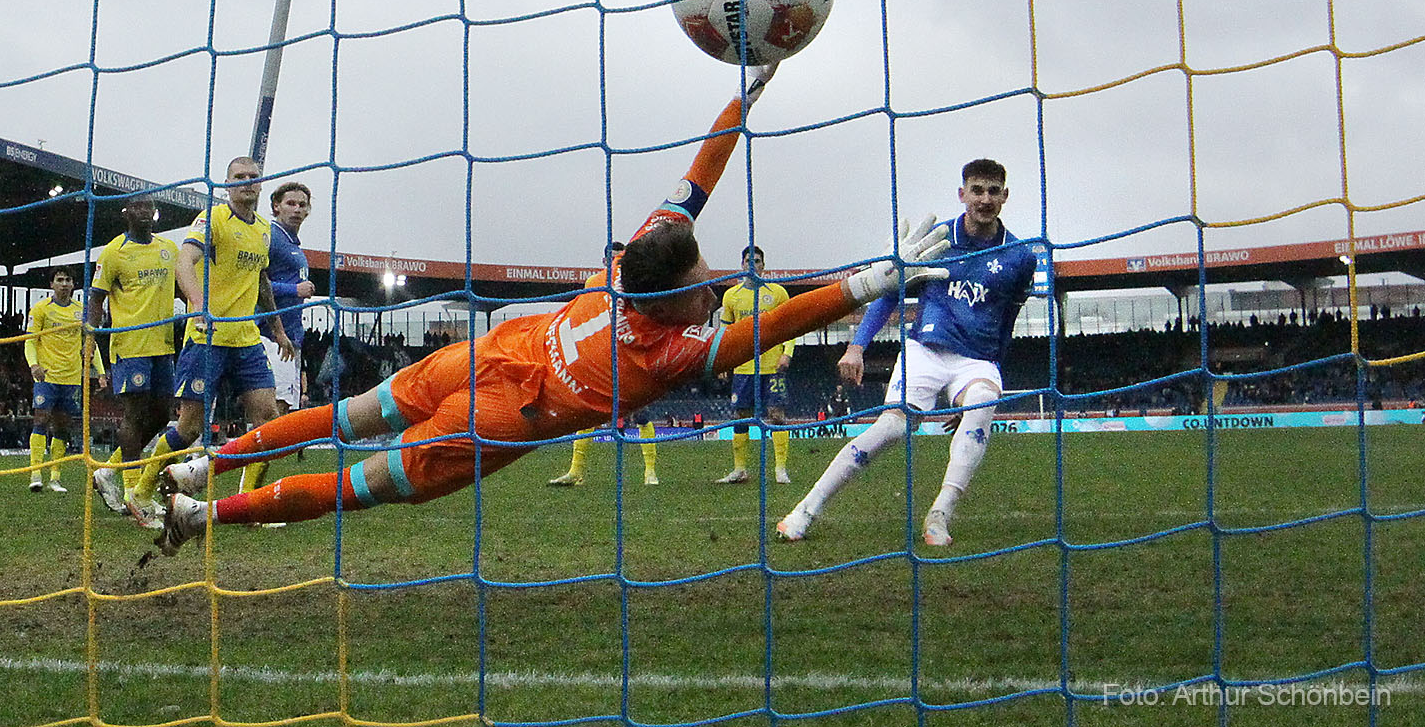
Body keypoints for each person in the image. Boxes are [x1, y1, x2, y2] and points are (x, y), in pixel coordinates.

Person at [153, 67, 952, 554]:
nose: (713, 288)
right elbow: (779, 324)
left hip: (494, 353)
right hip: (504, 414)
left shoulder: (635, 257)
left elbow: (698, 177)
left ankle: (203, 465)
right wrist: (877, 278)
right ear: (674, 300)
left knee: (347, 414)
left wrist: (741, 99)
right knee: (360, 483)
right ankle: (202, 512)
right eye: (703, 283)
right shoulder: (666, 356)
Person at [776, 159, 1041, 547]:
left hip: (977, 361)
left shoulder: (1021, 257)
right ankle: (804, 510)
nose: (984, 199)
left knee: (984, 399)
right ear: (962, 194)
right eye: (977, 190)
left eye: (993, 191)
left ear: (1005, 196)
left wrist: (986, 377)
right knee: (892, 427)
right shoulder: (935, 240)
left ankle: (939, 516)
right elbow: (889, 291)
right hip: (925, 351)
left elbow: (1007, 321)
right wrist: (857, 346)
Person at [128, 157, 297, 518]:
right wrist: (200, 304)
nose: (247, 182)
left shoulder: (264, 230)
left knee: (267, 422)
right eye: (240, 177)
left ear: (261, 184)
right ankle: (141, 493)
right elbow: (183, 262)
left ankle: (247, 503)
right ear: (227, 184)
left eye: (253, 177)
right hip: (207, 338)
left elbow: (262, 280)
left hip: (247, 339)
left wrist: (278, 330)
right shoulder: (212, 220)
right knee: (188, 428)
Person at [85, 194, 179, 522]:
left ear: (155, 213)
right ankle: (132, 490)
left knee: (162, 415)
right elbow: (95, 299)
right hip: (130, 346)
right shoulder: (113, 252)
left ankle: (108, 472)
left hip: (164, 345)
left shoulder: (169, 250)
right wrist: (90, 341)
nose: (143, 212)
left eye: (148, 207)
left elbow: (184, 285)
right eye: (137, 207)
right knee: (135, 414)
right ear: (126, 212)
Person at [547, 242, 661, 487]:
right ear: (603, 261)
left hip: (629, 355)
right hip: (600, 356)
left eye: (618, 258)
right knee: (588, 415)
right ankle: (576, 471)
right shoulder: (592, 284)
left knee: (641, 415)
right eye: (610, 258)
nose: (613, 262)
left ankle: (650, 472)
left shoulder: (634, 283)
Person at [715, 245, 795, 485]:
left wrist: (787, 353)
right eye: (749, 260)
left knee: (777, 415)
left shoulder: (778, 293)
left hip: (773, 367)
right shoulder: (732, 296)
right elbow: (725, 332)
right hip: (744, 367)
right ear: (742, 265)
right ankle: (740, 470)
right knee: (741, 416)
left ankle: (780, 469)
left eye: (757, 261)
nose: (753, 264)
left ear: (764, 266)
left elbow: (790, 326)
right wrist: (723, 360)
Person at [25, 269, 101, 493]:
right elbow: (30, 340)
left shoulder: (81, 312)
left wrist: (101, 371)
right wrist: (34, 365)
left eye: (68, 280)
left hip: (72, 378)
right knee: (41, 420)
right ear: (51, 284)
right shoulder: (41, 309)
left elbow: (90, 344)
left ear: (73, 285)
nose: (65, 284)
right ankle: (36, 473)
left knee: (62, 427)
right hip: (46, 375)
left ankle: (55, 477)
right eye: (60, 280)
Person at [263, 181, 315, 418]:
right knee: (273, 409)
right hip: (270, 336)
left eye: (301, 205)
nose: (296, 209)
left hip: (292, 337)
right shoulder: (270, 237)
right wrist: (294, 289)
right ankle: (252, 455)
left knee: (283, 410)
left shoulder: (294, 245)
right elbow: (254, 283)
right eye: (290, 203)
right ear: (276, 206)